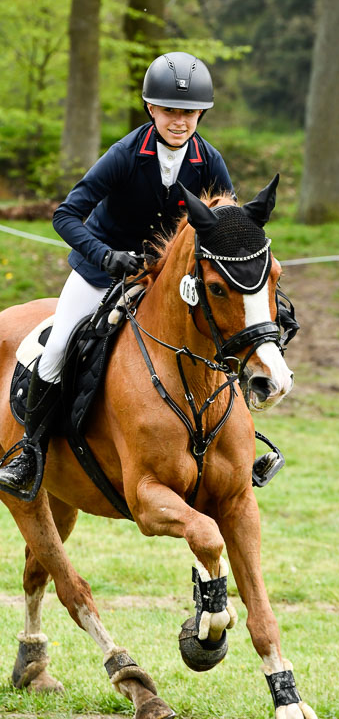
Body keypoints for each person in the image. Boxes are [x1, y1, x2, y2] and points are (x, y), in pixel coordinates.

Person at [0, 51, 235, 496]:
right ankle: (29, 452)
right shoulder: (125, 154)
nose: (179, 121)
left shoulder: (209, 161)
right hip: (100, 274)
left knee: (224, 339)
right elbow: (66, 215)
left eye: (188, 113)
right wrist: (106, 256)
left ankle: (238, 447)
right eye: (169, 111)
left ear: (201, 113)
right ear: (151, 108)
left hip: (167, 282)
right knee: (58, 347)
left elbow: (226, 225)